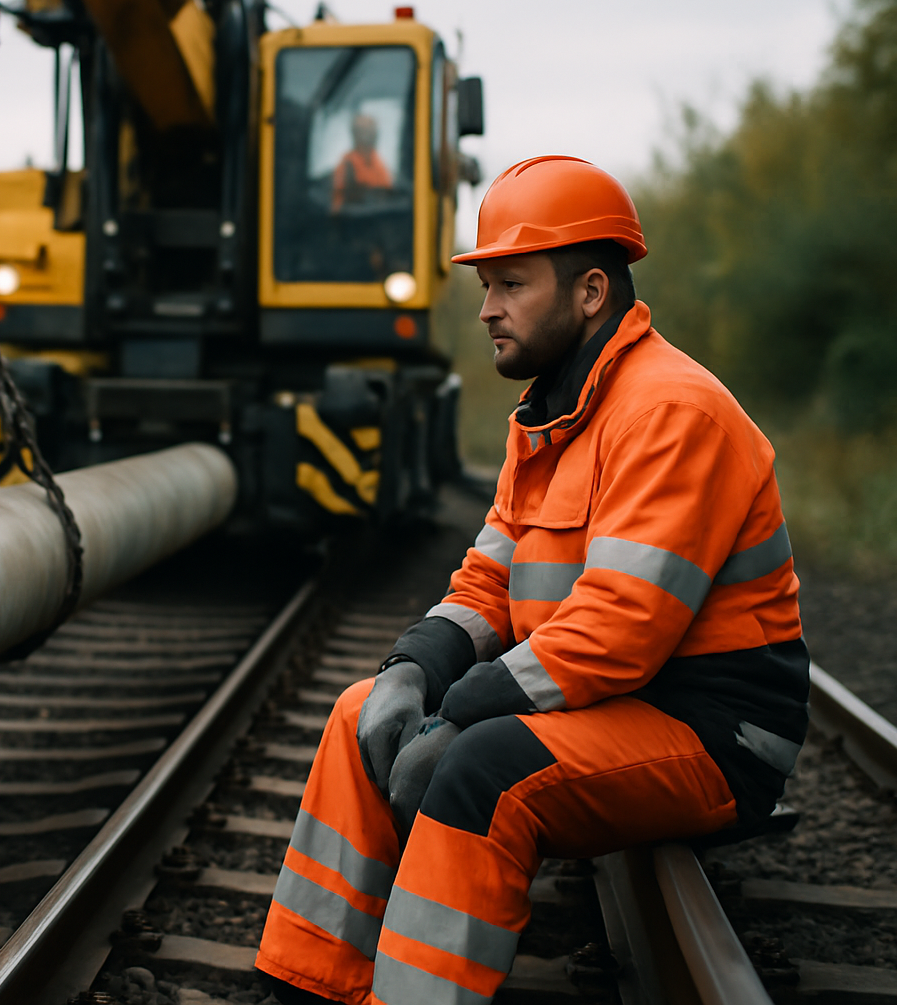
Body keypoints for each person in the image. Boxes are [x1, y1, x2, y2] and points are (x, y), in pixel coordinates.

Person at [257, 156, 807, 1005]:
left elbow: (619, 628)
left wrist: (461, 712)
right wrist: (413, 670)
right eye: (487, 285)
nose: (487, 310)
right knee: (363, 714)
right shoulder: (553, 414)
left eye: (511, 283)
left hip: (707, 729)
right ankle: (308, 985)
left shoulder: (669, 411)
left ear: (591, 292)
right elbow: (488, 580)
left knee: (486, 766)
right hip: (613, 704)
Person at [331, 113, 393, 212]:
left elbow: (387, 194)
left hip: (377, 216)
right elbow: (338, 205)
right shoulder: (347, 164)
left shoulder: (378, 162)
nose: (367, 137)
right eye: (363, 133)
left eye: (371, 132)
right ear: (355, 135)